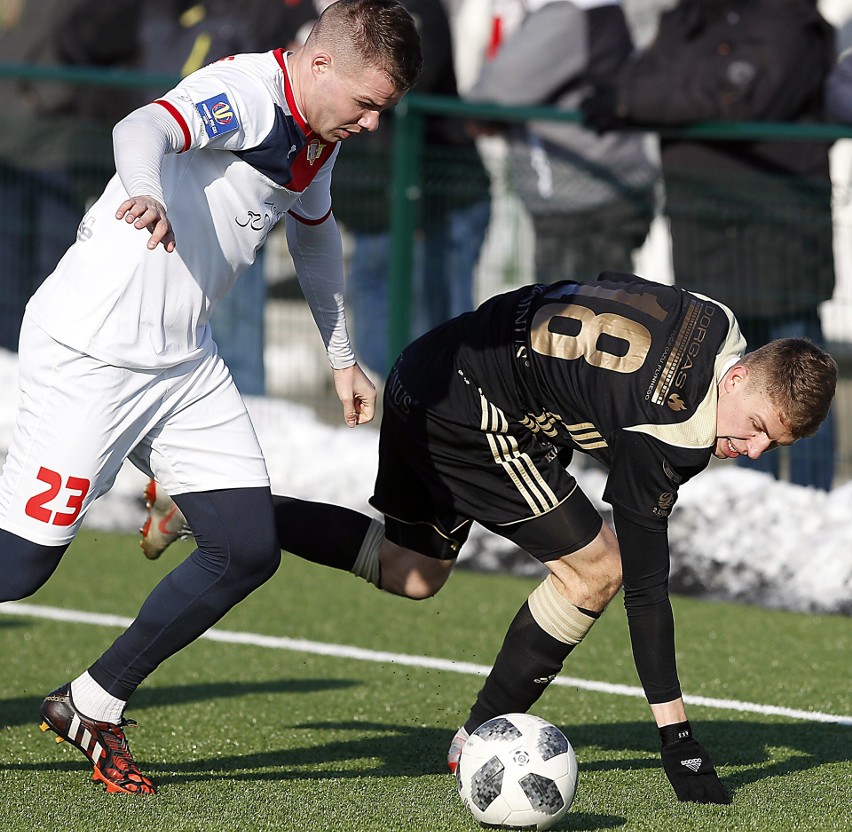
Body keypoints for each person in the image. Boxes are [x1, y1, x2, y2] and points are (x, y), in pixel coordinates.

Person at [0, 0, 422, 796]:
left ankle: (92, 703)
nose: (372, 123)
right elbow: (141, 128)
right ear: (321, 64)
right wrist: (145, 192)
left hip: (181, 360)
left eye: (383, 110)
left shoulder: (318, 131)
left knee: (246, 546)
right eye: (367, 103)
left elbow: (314, 231)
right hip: (94, 352)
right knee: (20, 568)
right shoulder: (248, 93)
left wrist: (342, 358)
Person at [269, 272, 836, 804]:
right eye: (758, 427)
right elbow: (645, 589)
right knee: (597, 570)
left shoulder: (715, 321)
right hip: (471, 410)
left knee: (410, 572)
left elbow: (605, 286)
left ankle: (227, 513)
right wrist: (677, 740)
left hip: (432, 363)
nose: (755, 450)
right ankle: (476, 741)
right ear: (735, 378)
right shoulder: (673, 430)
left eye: (773, 445)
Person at [581, 0, 838, 490]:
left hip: (780, 229)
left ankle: (811, 502)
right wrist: (647, 97)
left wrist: (639, 103)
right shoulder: (691, 17)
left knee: (797, 373)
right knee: (735, 374)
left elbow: (739, 94)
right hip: (707, 229)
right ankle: (751, 497)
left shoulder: (789, 19)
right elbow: (637, 82)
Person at [333, 0, 491, 376]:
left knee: (440, 314)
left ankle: (438, 401)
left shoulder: (417, 16)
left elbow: (408, 85)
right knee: (381, 298)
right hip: (378, 199)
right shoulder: (351, 16)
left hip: (434, 194)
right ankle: (408, 394)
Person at [464, 0, 658, 284]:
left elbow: (493, 94)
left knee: (570, 317)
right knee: (602, 312)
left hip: (581, 203)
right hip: (601, 193)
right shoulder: (591, 10)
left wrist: (482, 114)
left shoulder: (567, 14)